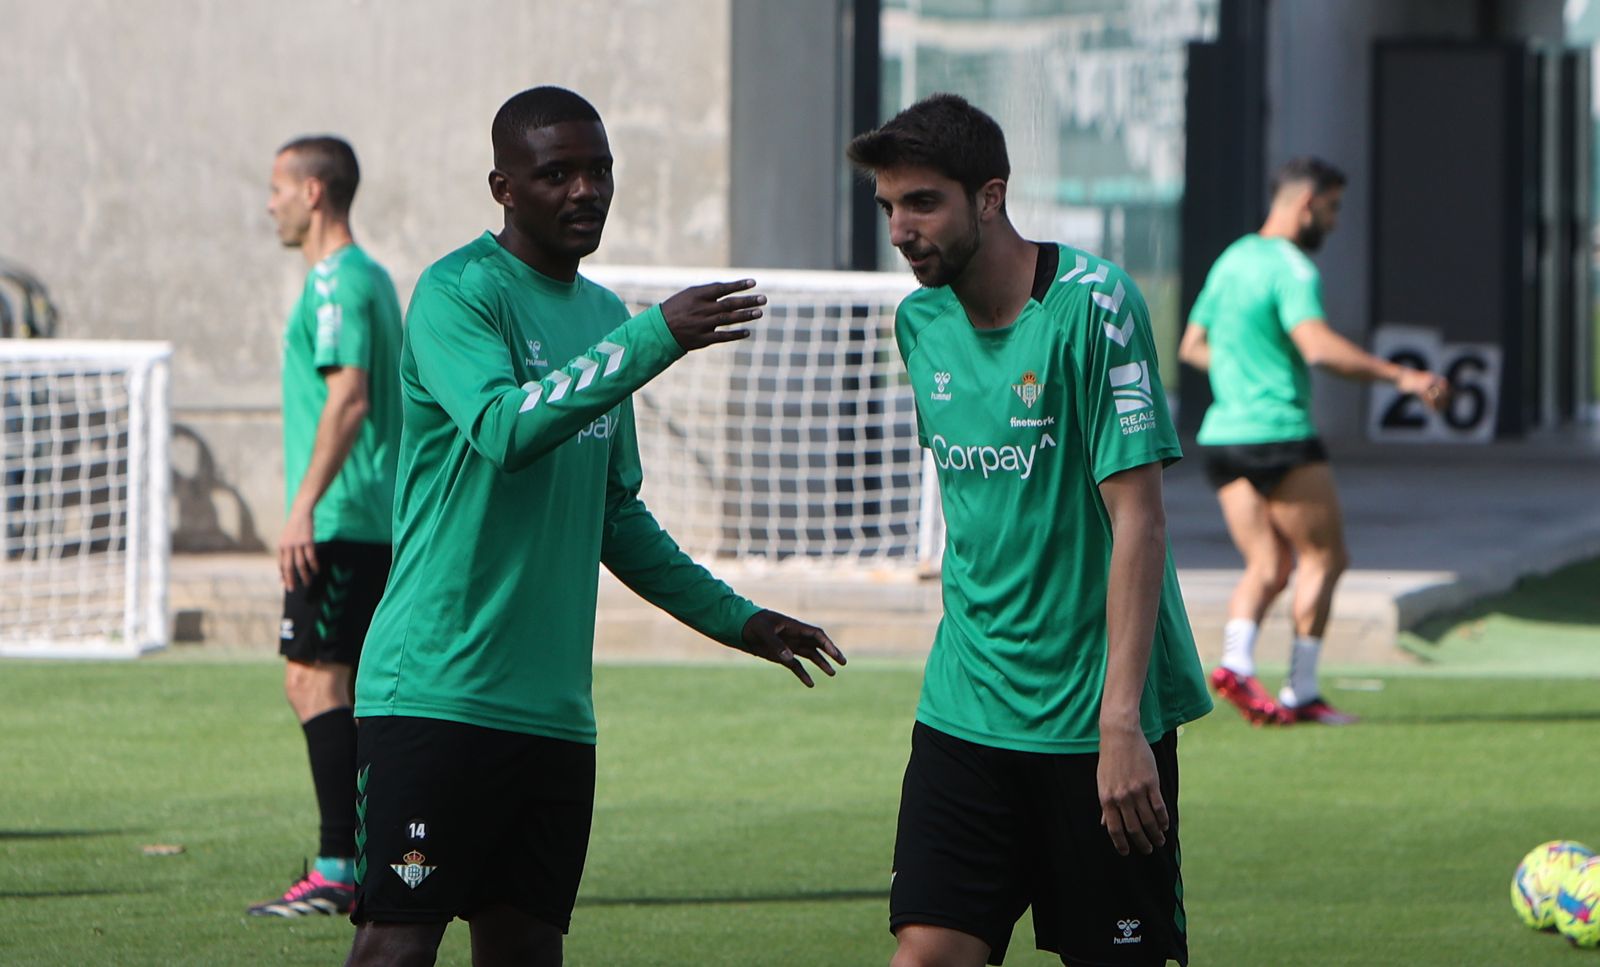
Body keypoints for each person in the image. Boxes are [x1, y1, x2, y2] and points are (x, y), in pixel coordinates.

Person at [344, 86, 845, 967]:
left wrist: (743, 619)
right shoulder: (458, 293)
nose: (586, 191)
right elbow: (505, 430)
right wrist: (658, 338)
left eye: (600, 170)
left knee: (528, 947)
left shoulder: (604, 317)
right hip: (434, 691)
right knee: (396, 944)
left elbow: (615, 514)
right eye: (557, 174)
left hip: (554, 714)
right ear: (503, 186)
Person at [849, 93, 1212, 967]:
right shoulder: (918, 322)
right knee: (926, 955)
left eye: (923, 202)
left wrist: (1119, 723)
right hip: (965, 710)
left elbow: (1141, 522)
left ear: (989, 196)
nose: (901, 228)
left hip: (1094, 721)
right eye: (889, 207)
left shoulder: (1096, 306)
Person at [1178, 157, 1449, 727]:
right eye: (1333, 209)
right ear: (1307, 204)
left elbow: (1193, 345)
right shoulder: (1291, 267)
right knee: (1326, 557)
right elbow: (1320, 348)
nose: (1335, 222)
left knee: (1268, 563)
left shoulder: (1232, 260)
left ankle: (1235, 663)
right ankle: (1301, 690)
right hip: (1279, 434)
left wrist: (1242, 375)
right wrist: (1403, 377)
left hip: (1224, 437)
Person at [251, 135, 403, 918]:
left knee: (315, 678)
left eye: (277, 187)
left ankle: (341, 866)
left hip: (343, 517)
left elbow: (350, 396)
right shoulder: (370, 276)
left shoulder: (337, 282)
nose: (268, 202)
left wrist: (302, 505)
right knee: (337, 682)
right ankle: (372, 859)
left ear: (314, 193)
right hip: (369, 515)